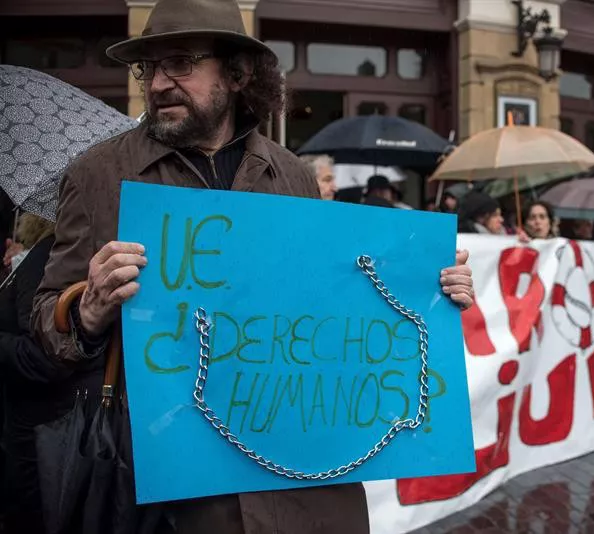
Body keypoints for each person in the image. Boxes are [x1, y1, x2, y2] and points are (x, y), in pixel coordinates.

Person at [30, 0, 475, 532]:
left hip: (301, 480)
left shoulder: (292, 175)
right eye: (148, 68)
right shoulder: (99, 175)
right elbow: (43, 320)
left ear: (238, 73)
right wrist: (87, 310)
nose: (156, 84)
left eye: (180, 64)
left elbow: (332, 307)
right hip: (173, 492)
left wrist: (428, 289)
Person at [0, 213, 104, 534]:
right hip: (46, 426)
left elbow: (47, 357)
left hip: (43, 432)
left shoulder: (49, 256)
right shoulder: (51, 254)